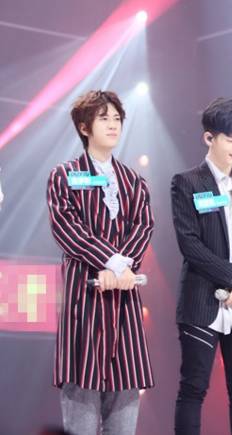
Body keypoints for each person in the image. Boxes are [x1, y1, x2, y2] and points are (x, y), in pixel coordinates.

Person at [46, 90, 155, 435]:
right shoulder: (64, 175)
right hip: (85, 300)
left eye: (117, 119)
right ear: (84, 127)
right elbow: (66, 228)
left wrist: (122, 267)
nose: (113, 125)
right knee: (80, 414)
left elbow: (144, 226)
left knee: (124, 415)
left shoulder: (134, 182)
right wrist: (111, 262)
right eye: (103, 118)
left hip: (124, 306)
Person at [171, 97, 232, 435]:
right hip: (201, 302)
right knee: (193, 389)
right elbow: (190, 245)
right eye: (231, 139)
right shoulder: (186, 182)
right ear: (209, 138)